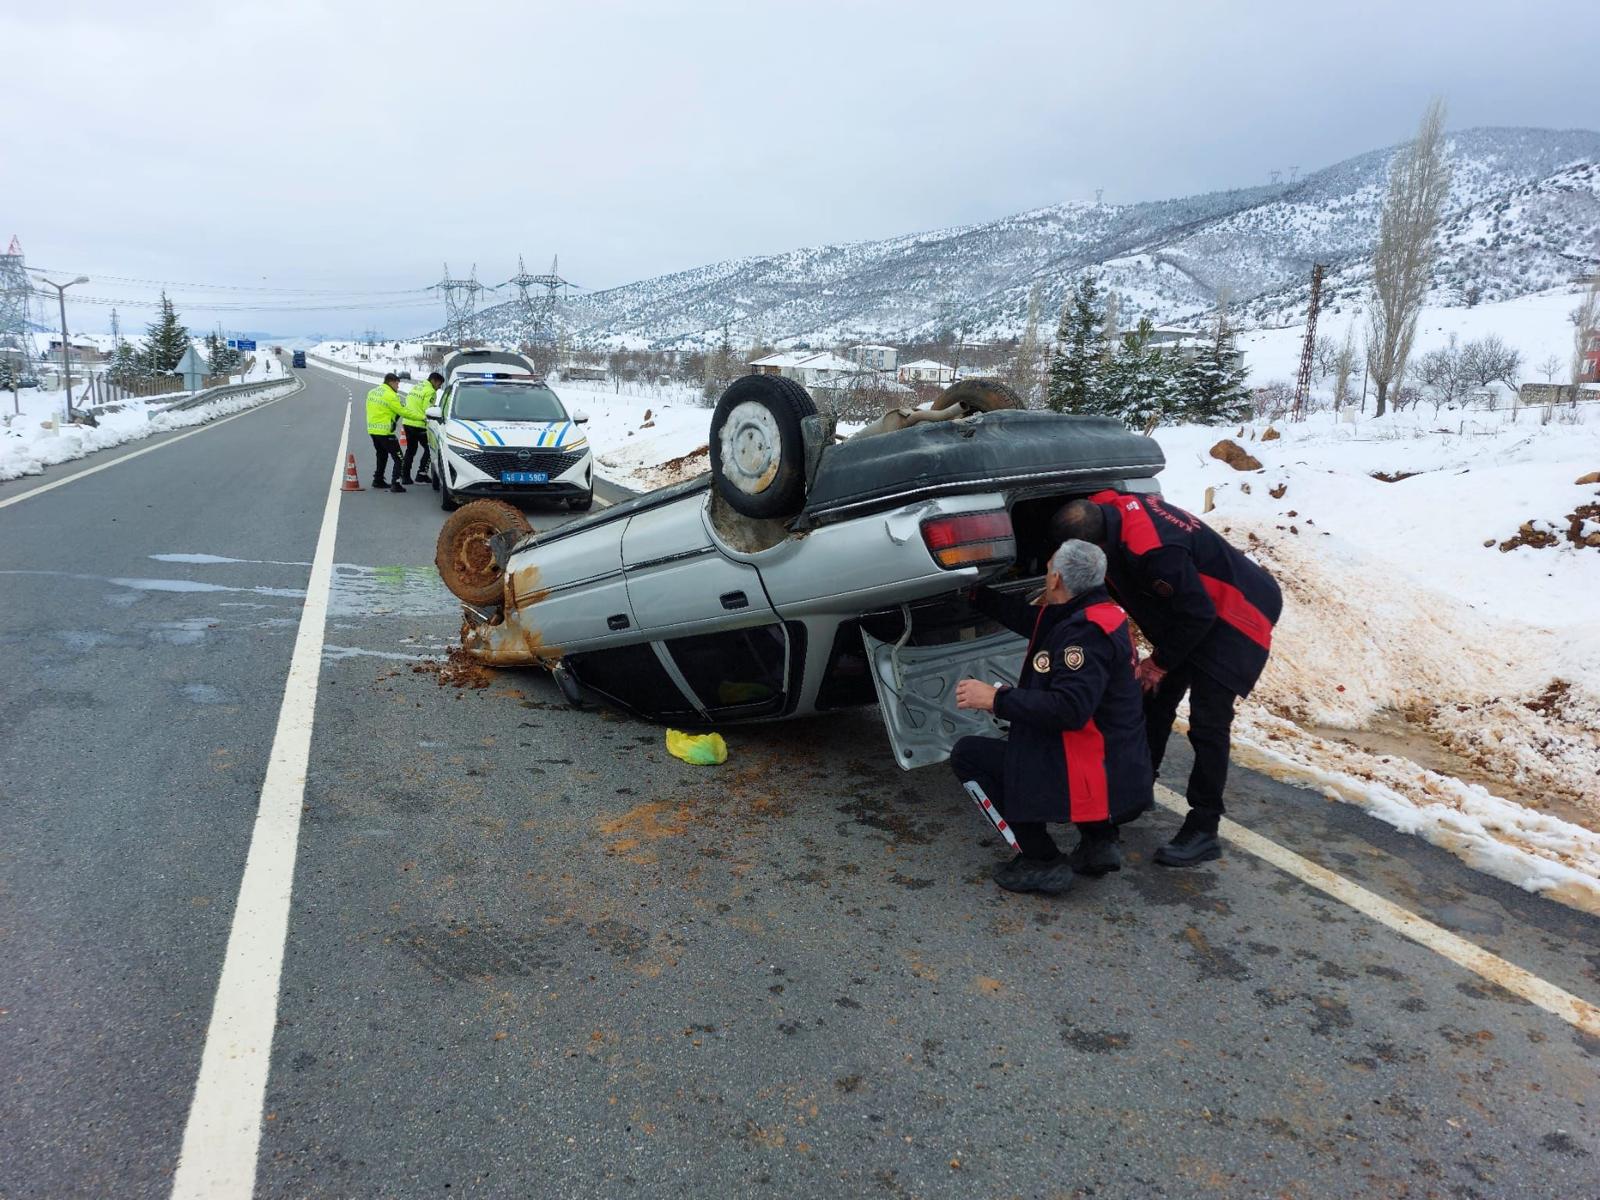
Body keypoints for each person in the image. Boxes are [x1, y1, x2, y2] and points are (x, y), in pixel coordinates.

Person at [1051, 492, 1283, 868]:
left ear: (1097, 545)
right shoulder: (1103, 507)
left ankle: (1204, 827)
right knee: (1154, 702)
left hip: (1238, 613)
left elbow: (1197, 614)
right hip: (1195, 609)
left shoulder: (1156, 552)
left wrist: (1158, 663)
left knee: (1209, 724)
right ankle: (1136, 792)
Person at [950, 539, 1154, 895]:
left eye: (1047, 569)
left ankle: (1040, 859)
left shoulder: (1083, 635)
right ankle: (1099, 841)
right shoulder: (1097, 615)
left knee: (969, 754)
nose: (1045, 574)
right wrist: (977, 596)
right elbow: (1037, 623)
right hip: (1120, 771)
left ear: (1056, 578)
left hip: (1093, 772)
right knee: (1032, 740)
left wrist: (996, 699)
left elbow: (1069, 709)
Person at [365, 373, 407, 493]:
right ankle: (396, 483)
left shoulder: (372, 392)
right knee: (399, 458)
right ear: (391, 382)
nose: (398, 387)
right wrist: (422, 417)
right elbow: (403, 412)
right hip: (385, 432)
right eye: (397, 384)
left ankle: (378, 480)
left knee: (382, 455)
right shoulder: (391, 395)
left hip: (373, 430)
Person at [400, 371, 441, 484]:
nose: (438, 388)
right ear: (434, 381)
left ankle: (405, 477)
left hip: (407, 422)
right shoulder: (431, 391)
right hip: (420, 425)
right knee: (430, 449)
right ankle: (421, 474)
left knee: (411, 450)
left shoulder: (417, 386)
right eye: (439, 385)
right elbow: (427, 410)